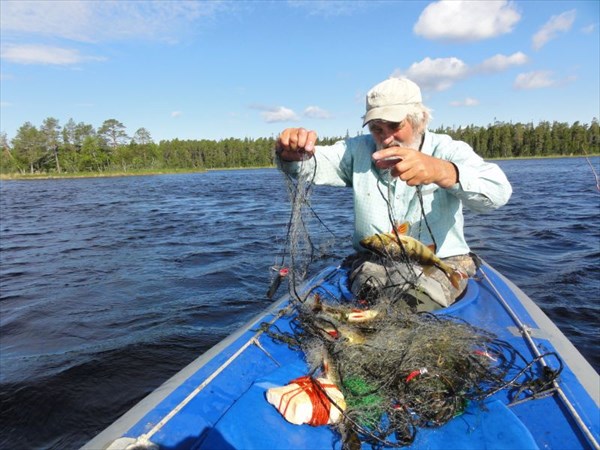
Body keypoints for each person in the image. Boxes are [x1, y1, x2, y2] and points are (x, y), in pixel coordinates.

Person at [275, 77, 512, 310]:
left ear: (420, 120)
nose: (387, 138)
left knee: (422, 299)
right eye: (377, 128)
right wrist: (292, 153)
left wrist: (442, 171)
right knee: (373, 296)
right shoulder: (356, 150)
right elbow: (312, 163)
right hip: (374, 259)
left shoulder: (448, 149)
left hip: (443, 260)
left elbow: (499, 192)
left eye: (396, 126)